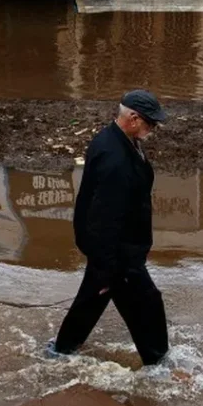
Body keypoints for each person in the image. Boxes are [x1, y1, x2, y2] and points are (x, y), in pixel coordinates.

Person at [51, 90, 169, 366]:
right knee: (147, 303)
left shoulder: (119, 140)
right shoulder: (114, 157)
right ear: (133, 118)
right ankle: (160, 367)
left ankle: (61, 351)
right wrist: (107, 267)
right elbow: (105, 215)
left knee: (91, 300)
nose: (154, 128)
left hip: (113, 249)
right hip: (118, 253)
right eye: (150, 122)